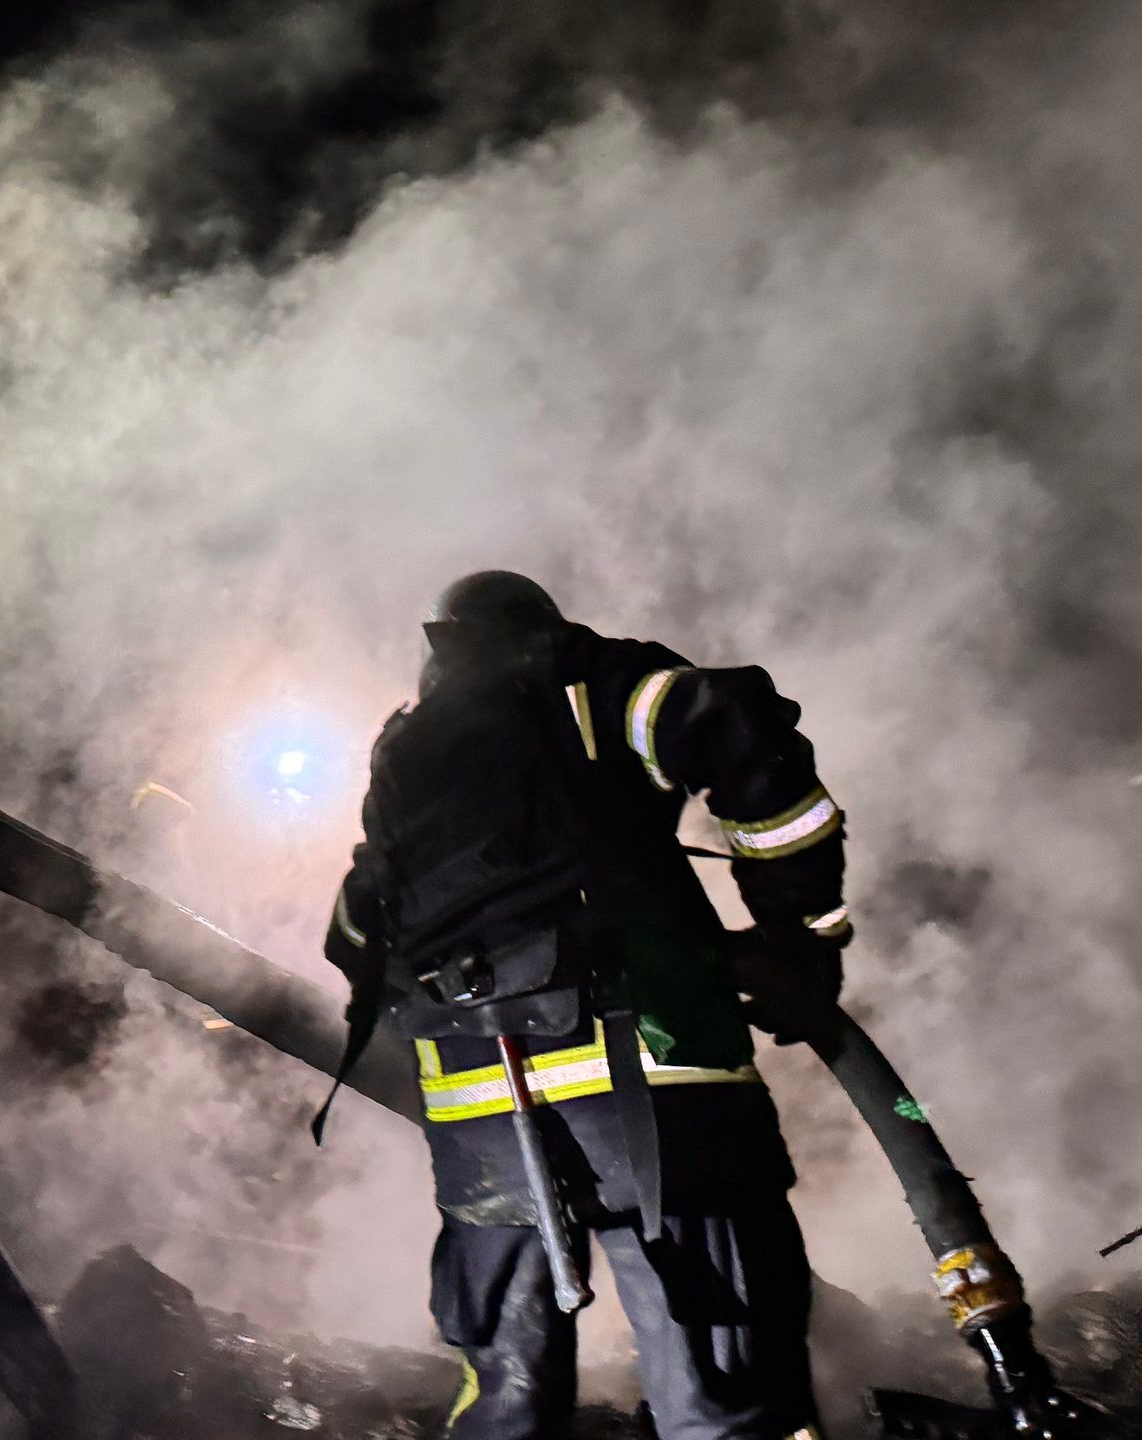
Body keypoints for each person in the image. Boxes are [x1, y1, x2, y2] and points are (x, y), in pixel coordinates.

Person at [320, 572, 848, 1440]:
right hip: (661, 1099)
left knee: (507, 1409)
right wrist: (800, 934)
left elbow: (352, 936)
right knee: (722, 1405)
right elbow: (746, 743)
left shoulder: (403, 758)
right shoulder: (588, 683)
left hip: (486, 1132)